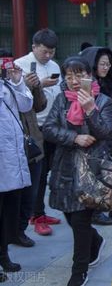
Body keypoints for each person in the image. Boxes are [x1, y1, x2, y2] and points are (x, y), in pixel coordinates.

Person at [42, 56, 112, 286]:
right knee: (70, 216)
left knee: (81, 221)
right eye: (69, 75)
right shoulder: (61, 100)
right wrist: (74, 137)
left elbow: (104, 132)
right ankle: (95, 240)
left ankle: (78, 271)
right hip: (65, 166)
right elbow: (49, 129)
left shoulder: (103, 101)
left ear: (89, 75)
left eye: (79, 74)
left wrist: (90, 109)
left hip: (92, 169)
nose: (74, 80)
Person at [15, 28, 62, 236]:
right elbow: (18, 99)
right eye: (45, 51)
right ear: (34, 47)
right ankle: (34, 216)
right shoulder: (20, 66)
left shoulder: (54, 65)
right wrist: (38, 85)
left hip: (53, 125)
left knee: (48, 172)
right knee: (37, 174)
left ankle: (40, 211)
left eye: (52, 51)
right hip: (34, 129)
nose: (48, 55)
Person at [81, 46, 112, 224]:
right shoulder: (87, 84)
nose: (106, 68)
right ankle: (95, 211)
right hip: (97, 132)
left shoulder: (111, 82)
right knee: (98, 172)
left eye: (108, 64)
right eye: (102, 64)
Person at [0, 56, 33, 282]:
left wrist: (18, 80)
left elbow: (26, 105)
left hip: (12, 160)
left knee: (8, 212)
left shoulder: (6, 86)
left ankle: (3, 254)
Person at [14, 55, 48, 248]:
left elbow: (40, 106)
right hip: (12, 150)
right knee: (13, 197)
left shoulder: (25, 81)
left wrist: (35, 87)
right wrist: (22, 87)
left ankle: (19, 231)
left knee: (30, 194)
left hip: (33, 147)